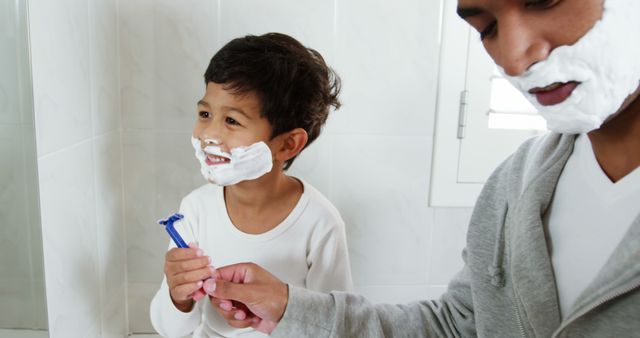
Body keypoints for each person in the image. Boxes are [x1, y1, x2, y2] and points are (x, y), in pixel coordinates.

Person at [201, 0, 640, 336]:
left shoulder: (318, 218)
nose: (513, 58)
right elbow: (456, 324)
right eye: (486, 28)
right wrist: (289, 307)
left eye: (544, 0)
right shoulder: (515, 185)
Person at [149, 33, 353, 338]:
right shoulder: (195, 210)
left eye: (232, 121)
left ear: (287, 144)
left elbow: (337, 326)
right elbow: (169, 330)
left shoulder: (320, 223)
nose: (209, 135)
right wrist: (178, 297)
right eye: (205, 114)